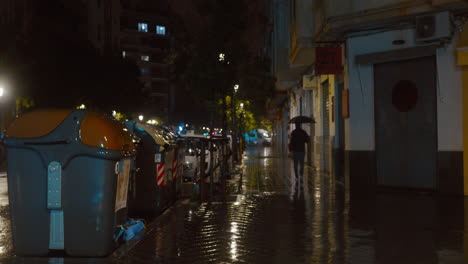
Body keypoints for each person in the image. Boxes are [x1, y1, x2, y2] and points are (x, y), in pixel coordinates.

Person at [289, 121, 309, 188]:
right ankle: (301, 175)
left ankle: (297, 176)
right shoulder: (303, 132)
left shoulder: (293, 132)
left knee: (295, 164)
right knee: (302, 163)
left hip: (295, 151)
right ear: (300, 125)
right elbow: (307, 141)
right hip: (302, 150)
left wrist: (290, 150)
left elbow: (291, 142)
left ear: (295, 125)